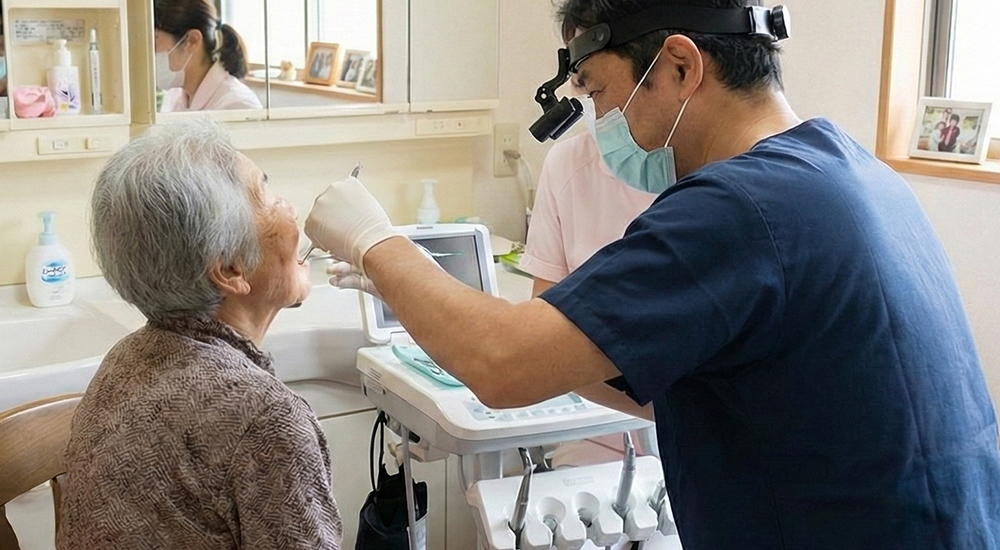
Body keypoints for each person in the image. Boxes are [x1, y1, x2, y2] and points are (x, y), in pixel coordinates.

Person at [305, 0, 1000, 548]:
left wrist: (375, 243)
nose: (601, 122)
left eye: (601, 92)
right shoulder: (846, 170)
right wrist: (419, 294)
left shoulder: (737, 207)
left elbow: (504, 364)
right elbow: (708, 391)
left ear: (679, 65)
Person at [58, 121, 342, 549]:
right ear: (229, 269)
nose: (292, 209)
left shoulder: (125, 359)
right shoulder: (266, 419)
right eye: (267, 193)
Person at [522, 85, 658, 467]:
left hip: (698, 431)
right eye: (584, 87)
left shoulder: (716, 174)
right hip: (598, 429)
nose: (589, 101)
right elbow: (543, 335)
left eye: (596, 86)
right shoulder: (569, 165)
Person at [154, 0, 262, 111]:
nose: (149, 54)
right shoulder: (174, 96)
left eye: (154, 41)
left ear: (192, 40)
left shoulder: (237, 105)